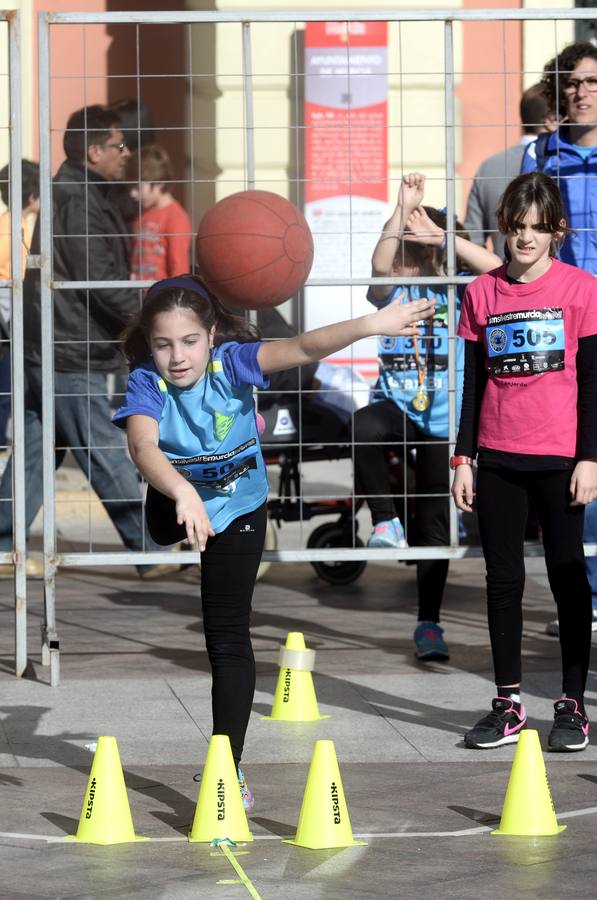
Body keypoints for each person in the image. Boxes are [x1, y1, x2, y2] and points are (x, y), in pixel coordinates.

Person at [112, 273, 436, 807]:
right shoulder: (147, 382)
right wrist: (178, 491)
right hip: (176, 495)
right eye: (164, 344)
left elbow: (306, 345)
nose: (178, 357)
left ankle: (227, 765)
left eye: (189, 341)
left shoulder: (233, 361)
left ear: (211, 333)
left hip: (240, 508)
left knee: (227, 638)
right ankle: (187, 491)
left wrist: (373, 323)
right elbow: (144, 447)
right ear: (150, 344)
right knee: (164, 518)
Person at [0, 105, 179, 579]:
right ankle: (150, 549)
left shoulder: (82, 190)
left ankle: (1, 544)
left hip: (54, 345)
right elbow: (98, 281)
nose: (126, 154)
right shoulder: (78, 197)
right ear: (94, 150)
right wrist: (156, 315)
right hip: (70, 349)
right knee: (103, 449)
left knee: (37, 452)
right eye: (118, 146)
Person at [452, 171, 597, 752]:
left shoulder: (581, 289)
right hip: (499, 457)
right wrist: (464, 459)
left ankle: (572, 705)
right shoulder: (481, 293)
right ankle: (508, 704)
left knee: (567, 576)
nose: (526, 238)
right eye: (516, 228)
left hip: (561, 458)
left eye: (538, 228)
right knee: (502, 580)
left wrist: (590, 457)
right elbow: (471, 387)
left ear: (557, 230)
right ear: (503, 229)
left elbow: (591, 384)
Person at [353, 173, 500, 661]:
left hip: (444, 422)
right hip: (398, 409)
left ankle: (429, 624)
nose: (406, 253)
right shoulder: (392, 290)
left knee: (434, 522)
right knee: (364, 426)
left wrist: (443, 237)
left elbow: (498, 268)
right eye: (404, 243)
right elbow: (378, 262)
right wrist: (401, 209)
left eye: (416, 244)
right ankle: (384, 522)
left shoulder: (459, 293)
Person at [521, 41, 597, 637]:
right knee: (580, 457)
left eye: (592, 81)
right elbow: (524, 232)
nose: (582, 90)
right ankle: (586, 592)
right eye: (571, 82)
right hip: (563, 324)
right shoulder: (541, 156)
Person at [465, 84, 556, 258]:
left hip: (502, 276)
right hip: (564, 279)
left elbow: (473, 237)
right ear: (553, 118)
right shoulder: (564, 164)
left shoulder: (489, 166)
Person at [0, 160, 40, 445]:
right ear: (31, 196)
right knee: (5, 377)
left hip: (12, 305)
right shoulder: (9, 227)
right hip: (5, 307)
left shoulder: (19, 223)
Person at [130, 144, 192, 282]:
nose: (132, 193)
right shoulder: (142, 214)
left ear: (159, 183)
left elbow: (179, 268)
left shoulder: (175, 218)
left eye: (138, 187)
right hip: (136, 297)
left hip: (161, 296)